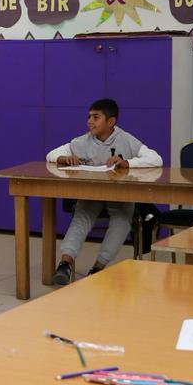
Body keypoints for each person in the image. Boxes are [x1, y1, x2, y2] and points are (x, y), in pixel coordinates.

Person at [44, 98, 163, 285]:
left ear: (111, 122)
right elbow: (50, 155)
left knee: (122, 220)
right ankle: (65, 264)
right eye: (89, 117)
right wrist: (63, 158)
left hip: (120, 196)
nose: (90, 121)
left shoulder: (126, 139)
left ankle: (98, 267)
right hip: (91, 194)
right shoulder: (82, 141)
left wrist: (127, 163)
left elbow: (156, 159)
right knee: (81, 216)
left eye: (96, 117)